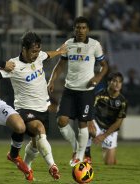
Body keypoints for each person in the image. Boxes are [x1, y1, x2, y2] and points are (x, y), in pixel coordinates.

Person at [0, 31, 67, 181]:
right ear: (24, 49)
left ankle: (26, 167)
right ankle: (53, 166)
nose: (36, 54)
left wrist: (60, 51)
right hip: (25, 109)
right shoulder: (14, 65)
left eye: (37, 51)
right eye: (33, 51)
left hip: (42, 107)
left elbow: (48, 54)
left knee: (35, 144)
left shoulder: (39, 56)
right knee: (39, 129)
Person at [47, 16, 108, 166]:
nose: (80, 30)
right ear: (74, 29)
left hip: (86, 91)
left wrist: (97, 78)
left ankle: (79, 156)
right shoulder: (68, 44)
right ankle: (76, 147)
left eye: (83, 28)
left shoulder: (95, 45)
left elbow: (104, 66)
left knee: (82, 124)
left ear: (87, 30)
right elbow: (60, 65)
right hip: (69, 89)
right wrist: (52, 80)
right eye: (78, 27)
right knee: (61, 121)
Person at [85, 72, 128, 165]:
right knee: (86, 124)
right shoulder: (100, 94)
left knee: (109, 163)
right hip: (97, 124)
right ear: (109, 82)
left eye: (120, 82)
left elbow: (118, 123)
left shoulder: (123, 101)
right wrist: (90, 121)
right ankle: (87, 154)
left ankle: (111, 155)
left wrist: (103, 136)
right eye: (115, 81)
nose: (117, 84)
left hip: (110, 130)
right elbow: (90, 108)